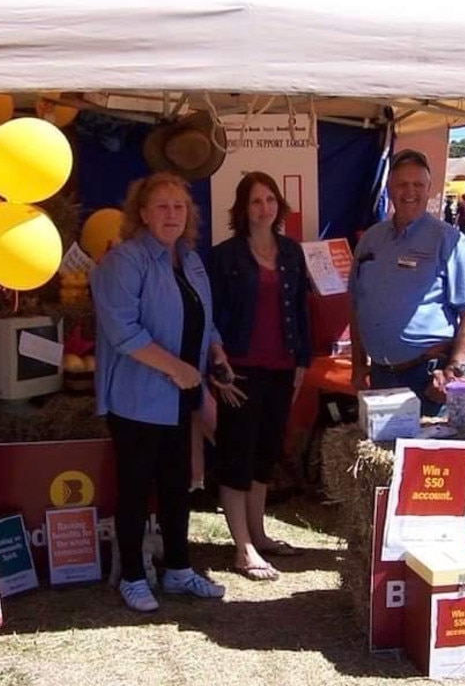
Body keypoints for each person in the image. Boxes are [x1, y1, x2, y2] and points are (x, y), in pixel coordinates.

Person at [91, 171, 241, 612]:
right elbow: (123, 331)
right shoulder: (125, 261)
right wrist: (176, 369)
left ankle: (178, 569)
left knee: (178, 485)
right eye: (161, 206)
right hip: (137, 398)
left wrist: (216, 352)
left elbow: (205, 318)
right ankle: (134, 577)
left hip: (182, 395)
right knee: (136, 489)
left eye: (179, 207)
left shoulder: (190, 259)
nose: (172, 214)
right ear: (142, 213)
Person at [208, 171, 311, 582]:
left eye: (270, 199)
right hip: (240, 371)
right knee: (237, 455)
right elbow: (210, 319)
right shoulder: (224, 256)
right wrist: (216, 370)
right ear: (242, 208)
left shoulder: (290, 252)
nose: (264, 208)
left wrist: (302, 360)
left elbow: (300, 311)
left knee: (264, 454)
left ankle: (259, 533)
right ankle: (242, 548)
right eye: (255, 201)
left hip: (282, 367)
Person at [349, 149, 465, 417]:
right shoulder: (371, 240)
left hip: (426, 379)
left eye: (418, 184)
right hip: (380, 376)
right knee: (384, 457)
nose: (409, 191)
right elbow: (356, 304)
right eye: (402, 184)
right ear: (389, 188)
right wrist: (357, 363)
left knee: (426, 458)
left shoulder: (447, 240)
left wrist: (453, 371)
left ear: (429, 189)